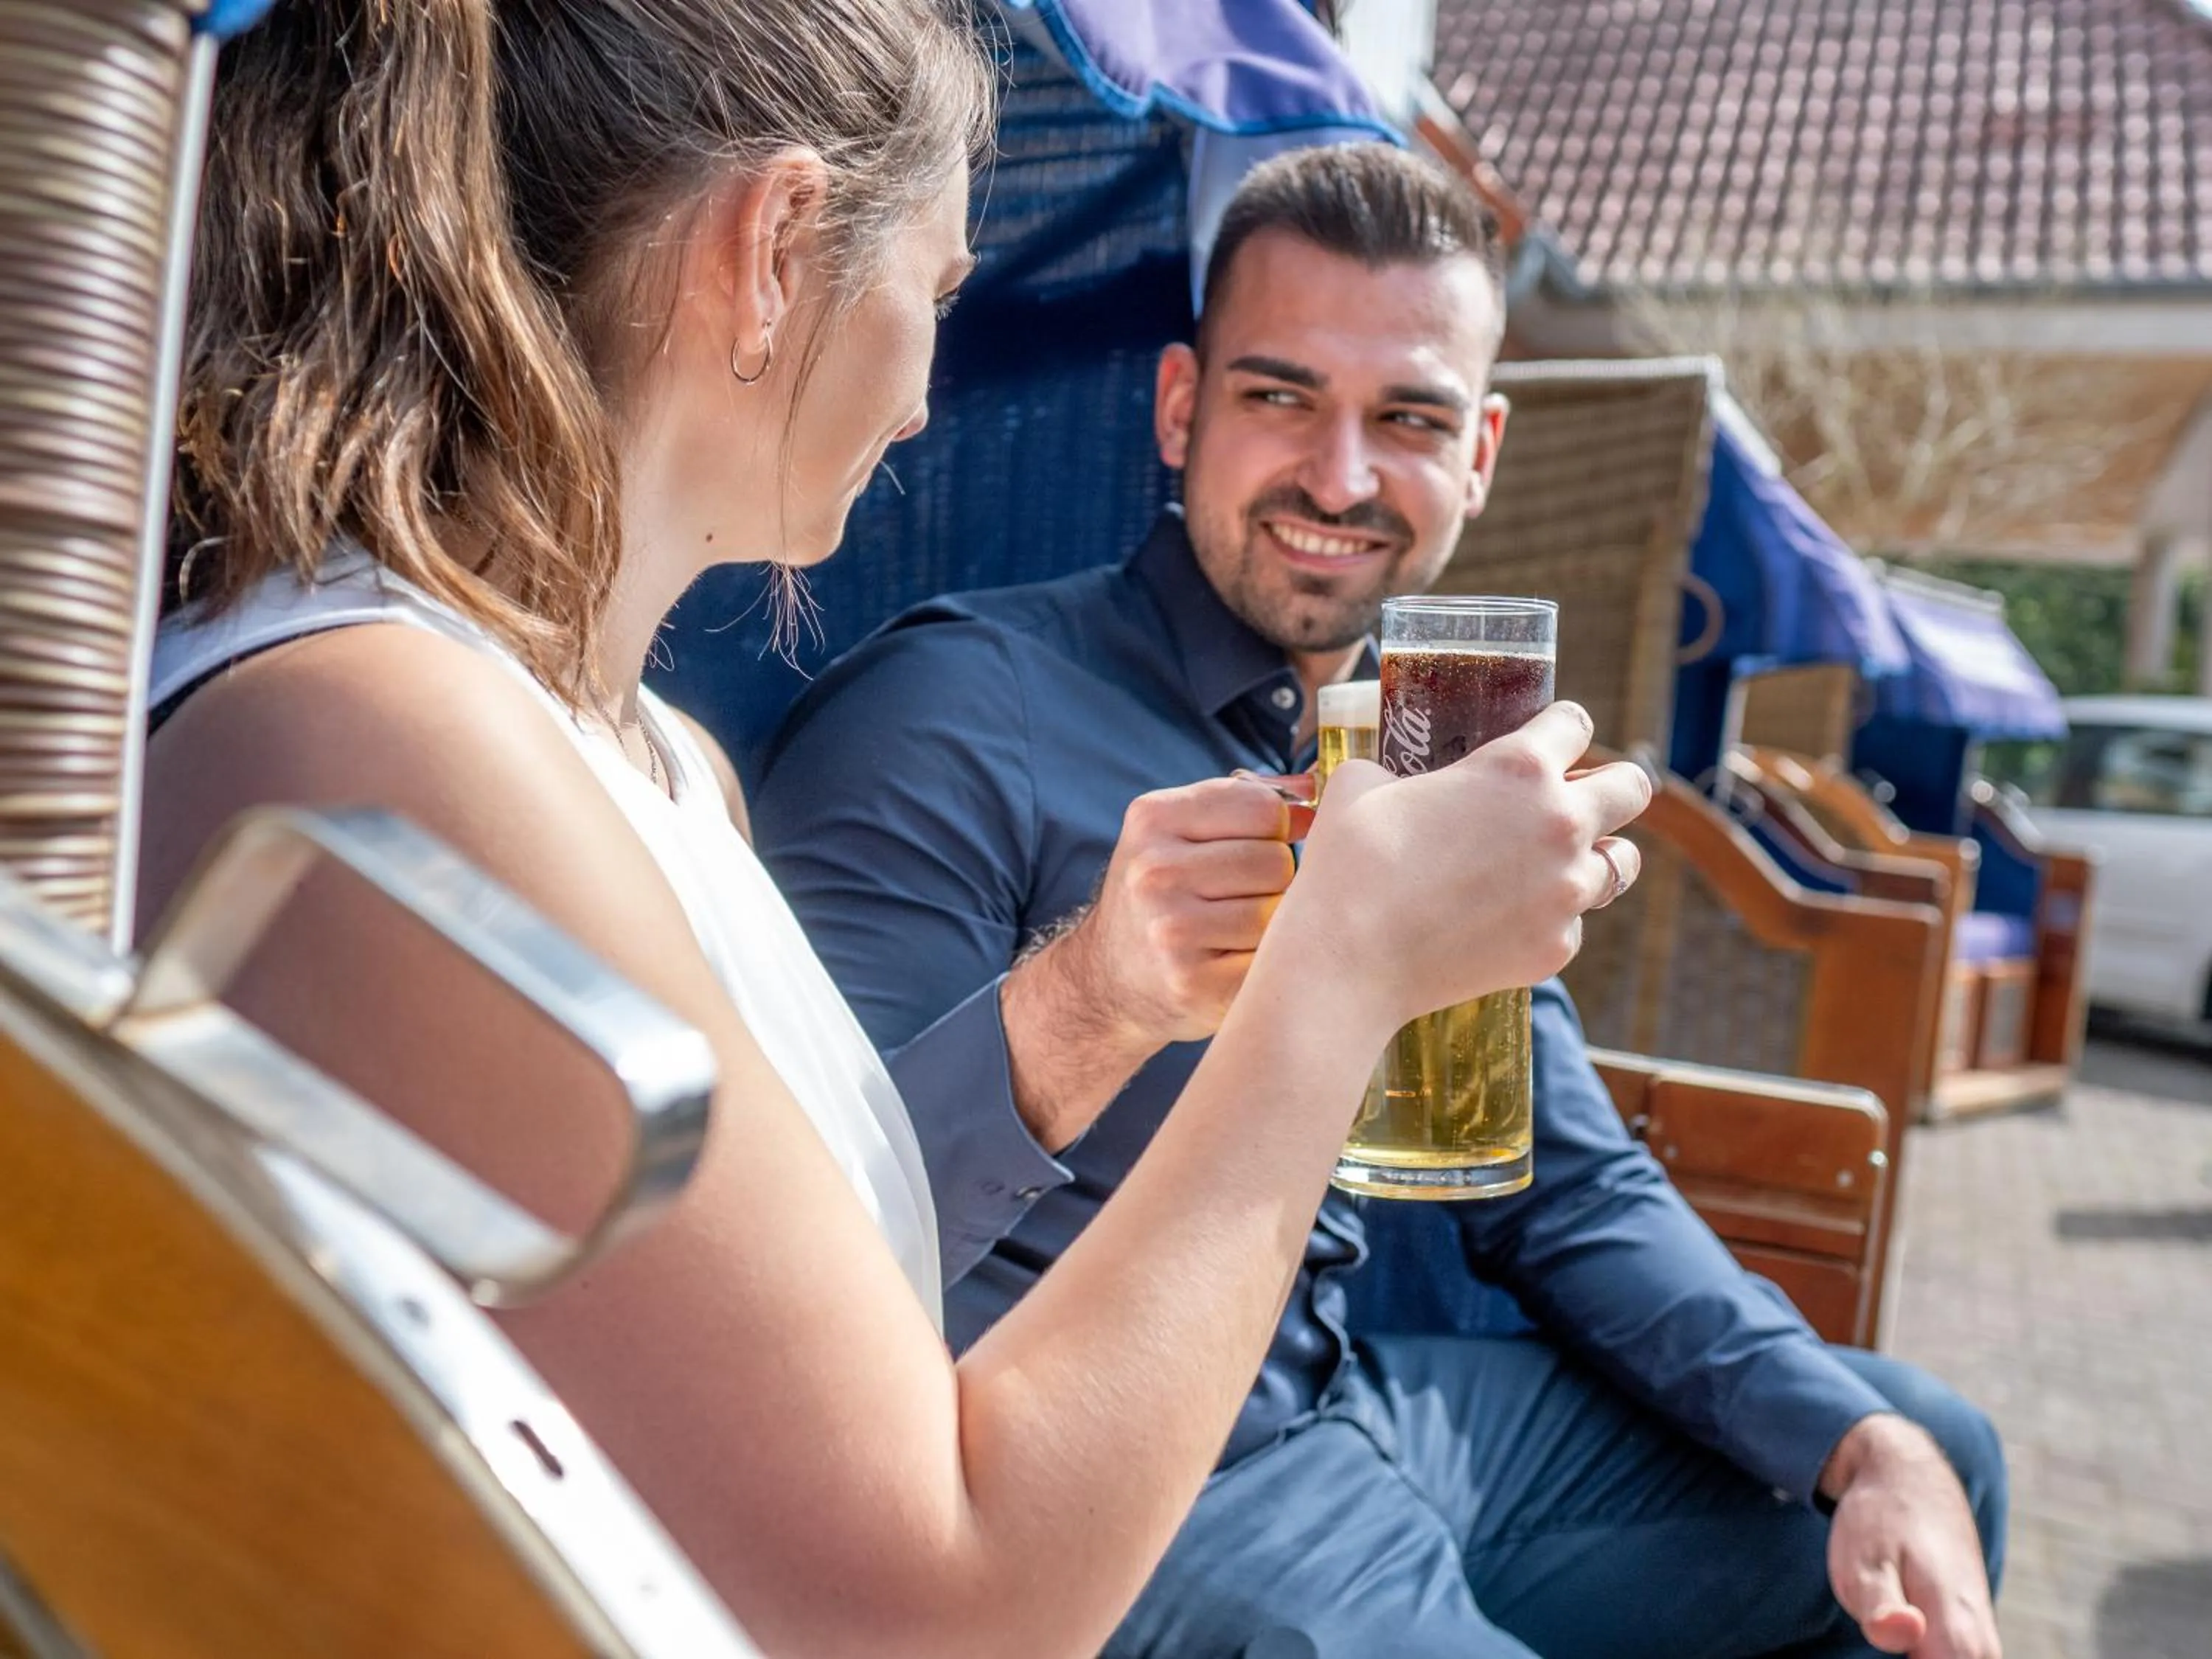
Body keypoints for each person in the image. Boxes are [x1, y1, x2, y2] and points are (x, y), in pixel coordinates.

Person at [137, 7, 1652, 1658]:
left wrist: (1093, 1009)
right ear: (778, 244)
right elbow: (937, 1613)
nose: (935, 398)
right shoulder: (384, 736)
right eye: (939, 293)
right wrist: (1339, 976)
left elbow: (780, 1310)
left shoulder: (642, 759)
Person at [754, 143, 2008, 1659]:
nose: (1340, 479)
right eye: (1280, 395)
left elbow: (1565, 1182)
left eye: (1405, 419)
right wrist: (1095, 992)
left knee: (1928, 1454)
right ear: (1179, 408)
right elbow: (812, 1247)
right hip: (1127, 1477)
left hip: (1349, 1397)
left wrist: (1858, 1445)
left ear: (1477, 456)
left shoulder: (1425, 756)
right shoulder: (956, 713)